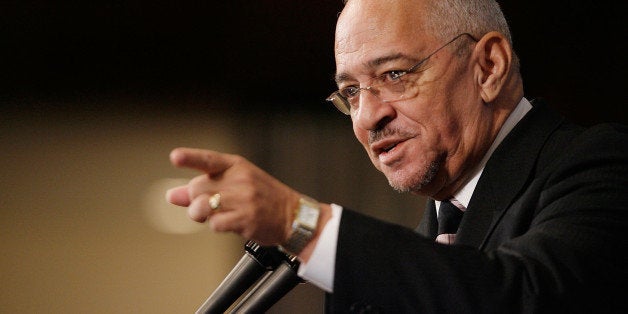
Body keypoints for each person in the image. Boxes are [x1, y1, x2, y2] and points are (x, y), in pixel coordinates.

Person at [166, 0, 628, 312]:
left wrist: (300, 222)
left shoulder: (602, 164)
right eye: (350, 91)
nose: (368, 117)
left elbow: (524, 295)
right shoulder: (418, 248)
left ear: (488, 67)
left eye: (394, 74)